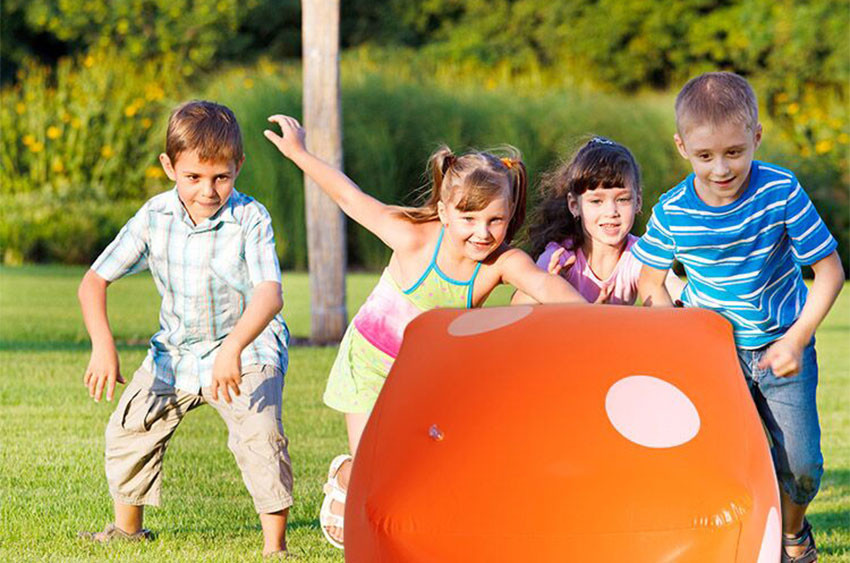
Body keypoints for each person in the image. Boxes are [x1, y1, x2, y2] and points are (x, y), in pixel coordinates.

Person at [264, 114, 587, 549]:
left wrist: (593, 319)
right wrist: (299, 153)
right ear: (444, 211)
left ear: (510, 214)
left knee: (421, 463)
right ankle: (347, 474)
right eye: (469, 218)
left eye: (495, 220)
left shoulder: (501, 262)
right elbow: (349, 197)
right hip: (369, 364)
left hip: (424, 376)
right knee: (374, 469)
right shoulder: (413, 238)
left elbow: (544, 285)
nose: (482, 232)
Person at [634, 72, 844, 563]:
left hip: (781, 347)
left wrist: (797, 339)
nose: (721, 168)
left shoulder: (781, 190)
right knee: (720, 464)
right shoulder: (673, 210)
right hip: (714, 357)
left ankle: (794, 532)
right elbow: (650, 282)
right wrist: (681, 339)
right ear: (682, 147)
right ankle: (736, 545)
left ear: (757, 137)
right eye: (705, 156)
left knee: (802, 465)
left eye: (734, 152)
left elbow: (829, 271)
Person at [77, 101, 294, 557]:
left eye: (221, 177)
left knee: (260, 435)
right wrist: (102, 345)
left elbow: (269, 295)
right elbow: (94, 281)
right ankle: (128, 531)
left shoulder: (251, 218)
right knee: (130, 427)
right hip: (176, 352)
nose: (208, 191)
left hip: (248, 348)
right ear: (169, 167)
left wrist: (233, 347)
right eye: (193, 177)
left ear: (238, 167)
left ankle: (275, 547)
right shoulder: (154, 216)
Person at [512, 136, 684, 305]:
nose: (611, 212)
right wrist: (549, 284)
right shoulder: (560, 256)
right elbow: (518, 305)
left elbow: (675, 288)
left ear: (638, 202)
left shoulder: (640, 254)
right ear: (574, 205)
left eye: (622, 199)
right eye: (596, 201)